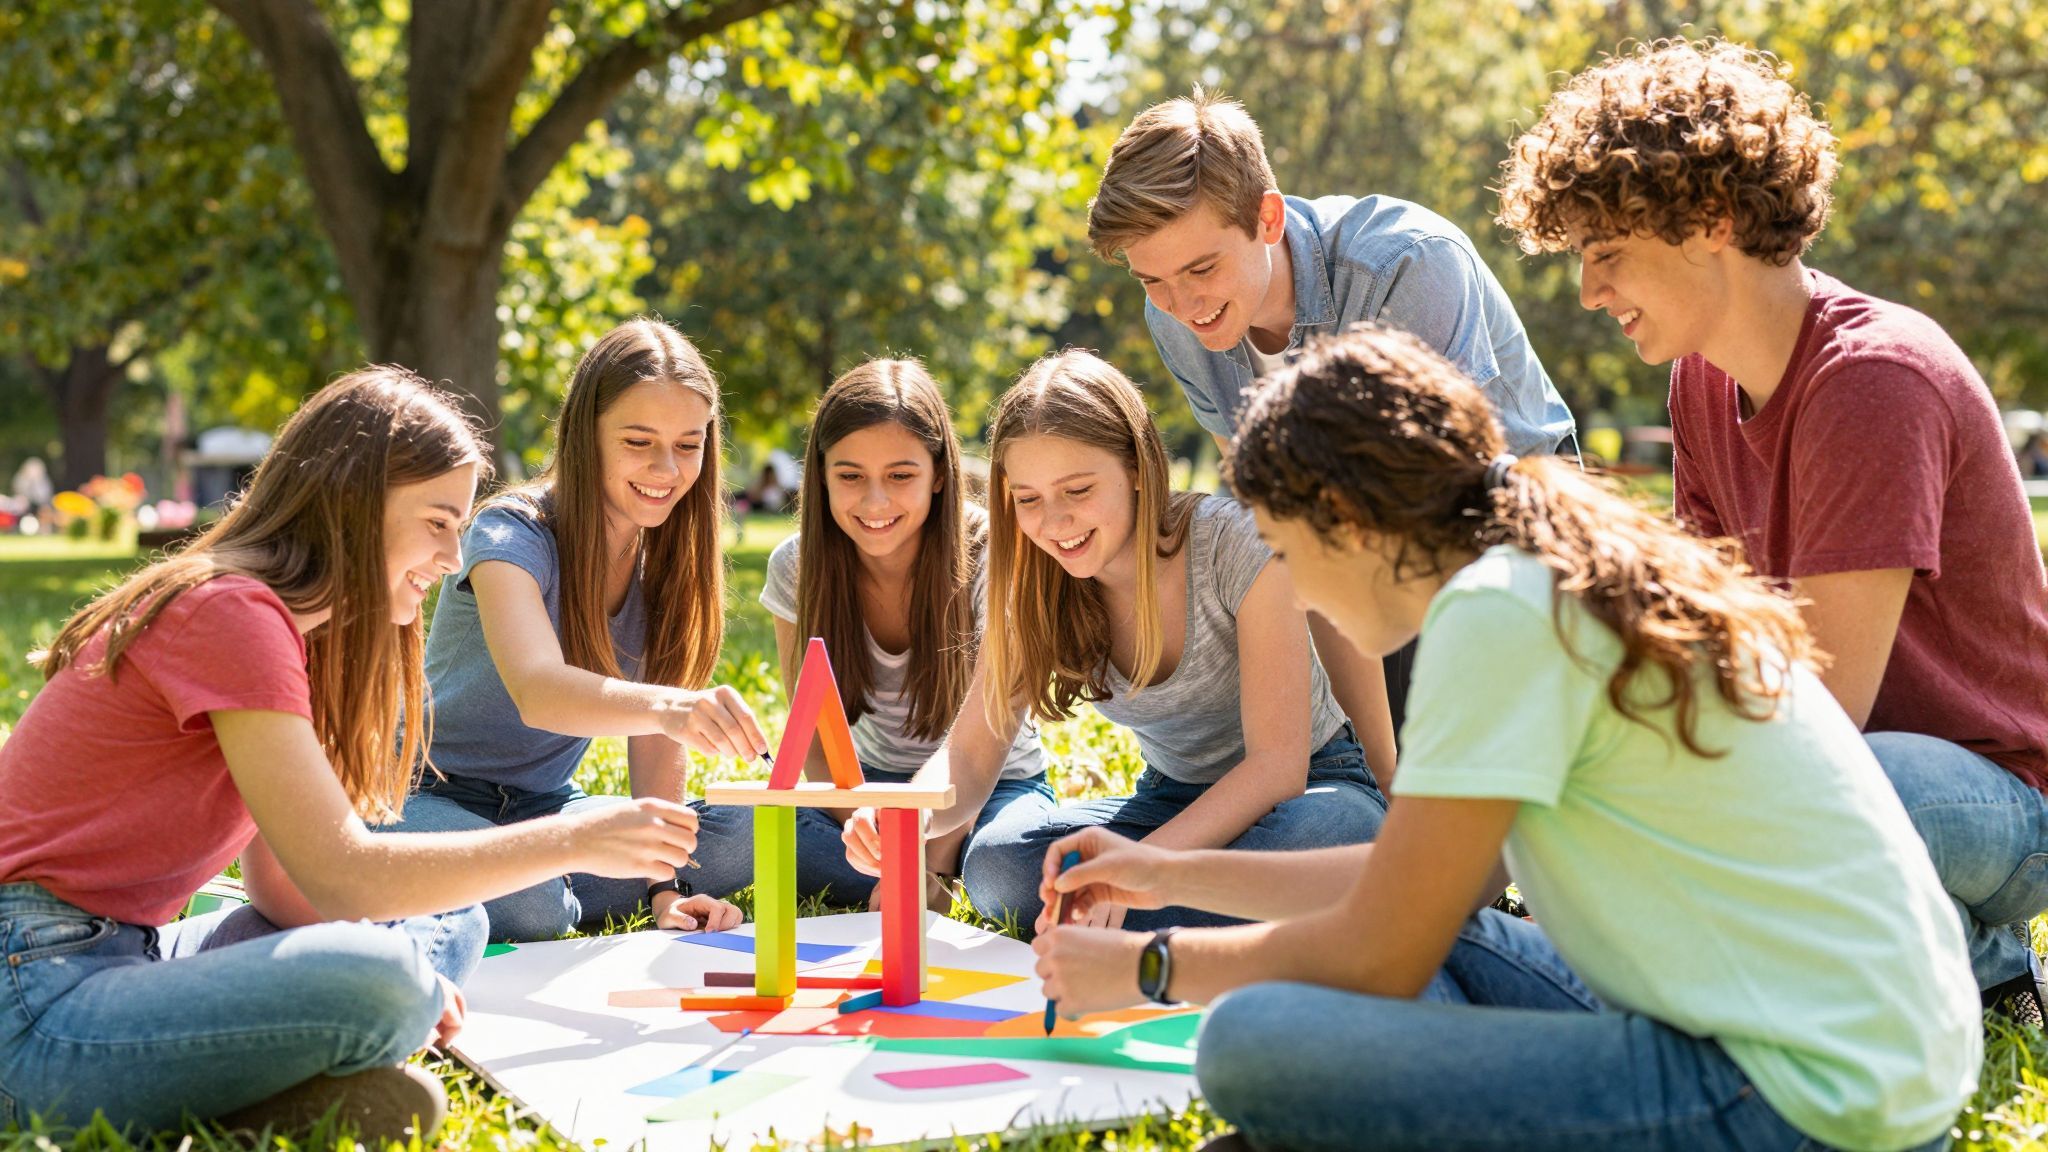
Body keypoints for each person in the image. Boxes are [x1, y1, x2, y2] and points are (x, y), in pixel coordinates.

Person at [1032, 325, 1980, 1152]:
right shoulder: (1532, 570)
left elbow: (1379, 954)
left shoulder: (1499, 615)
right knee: (1440, 948)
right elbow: (1411, 892)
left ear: (1352, 523)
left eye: (1288, 548)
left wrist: (1150, 967)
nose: (1298, 588)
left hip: (1805, 1103)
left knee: (1253, 1042)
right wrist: (1162, 876)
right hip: (1857, 1058)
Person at [0, 370, 709, 1139]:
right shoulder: (231, 612)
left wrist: (372, 943)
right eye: (438, 522)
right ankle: (296, 1069)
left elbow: (281, 886)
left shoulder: (298, 638)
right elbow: (339, 878)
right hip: (33, 994)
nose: (451, 556)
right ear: (355, 504)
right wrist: (573, 842)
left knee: (452, 917)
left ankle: (272, 1076)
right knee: (387, 980)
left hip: (129, 957)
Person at [1497, 37, 2048, 1005]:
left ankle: (1974, 964)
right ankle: (1933, 955)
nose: (1587, 293)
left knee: (1805, 800)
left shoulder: (1871, 381)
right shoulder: (1696, 382)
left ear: (1709, 219)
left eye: (1606, 255)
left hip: (1986, 798)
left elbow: (1818, 717)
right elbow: (1715, 646)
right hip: (1844, 770)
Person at [1087, 87, 1581, 763]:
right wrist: (1385, 776)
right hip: (1349, 537)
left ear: (1267, 217)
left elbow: (1434, 506)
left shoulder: (1407, 265)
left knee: (1462, 818)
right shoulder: (1177, 320)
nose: (1182, 304)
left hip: (1502, 515)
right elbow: (1282, 521)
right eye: (1153, 281)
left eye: (1202, 268)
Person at [845, 349, 1384, 933]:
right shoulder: (1031, 581)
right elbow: (973, 754)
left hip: (1310, 789)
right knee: (1000, 866)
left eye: (1077, 490)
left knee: (1326, 839)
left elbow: (1278, 767)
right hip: (1171, 801)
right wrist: (901, 817)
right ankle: (1259, 914)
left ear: (1135, 466)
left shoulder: (1235, 546)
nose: (1054, 523)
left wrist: (1139, 870)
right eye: (1028, 499)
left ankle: (1196, 912)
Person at [387, 318, 760, 942]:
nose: (666, 468)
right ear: (586, 436)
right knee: (530, 904)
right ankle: (515, 885)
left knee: (737, 833)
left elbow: (653, 739)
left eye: (688, 444)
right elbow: (539, 689)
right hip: (428, 794)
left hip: (548, 807)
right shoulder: (510, 532)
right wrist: (675, 707)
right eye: (638, 442)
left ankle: (505, 884)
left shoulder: (666, 561)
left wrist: (666, 890)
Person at [754, 359, 1051, 904]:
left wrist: (921, 866)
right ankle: (902, 865)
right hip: (867, 787)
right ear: (820, 475)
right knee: (751, 837)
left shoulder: (998, 555)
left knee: (1007, 870)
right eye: (850, 476)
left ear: (939, 473)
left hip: (991, 784)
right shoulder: (796, 567)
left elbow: (978, 752)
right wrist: (867, 822)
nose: (875, 502)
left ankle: (957, 863)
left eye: (900, 475)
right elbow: (813, 743)